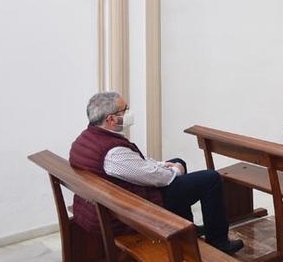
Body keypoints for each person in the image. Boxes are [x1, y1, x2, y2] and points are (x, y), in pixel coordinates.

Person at [68, 92, 244, 254]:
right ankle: (218, 241)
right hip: (130, 210)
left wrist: (163, 164)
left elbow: (134, 165)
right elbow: (158, 178)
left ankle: (185, 229)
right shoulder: (112, 153)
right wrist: (174, 170)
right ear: (111, 119)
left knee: (178, 162)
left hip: (108, 204)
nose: (129, 113)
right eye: (125, 110)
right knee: (210, 179)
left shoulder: (87, 139)